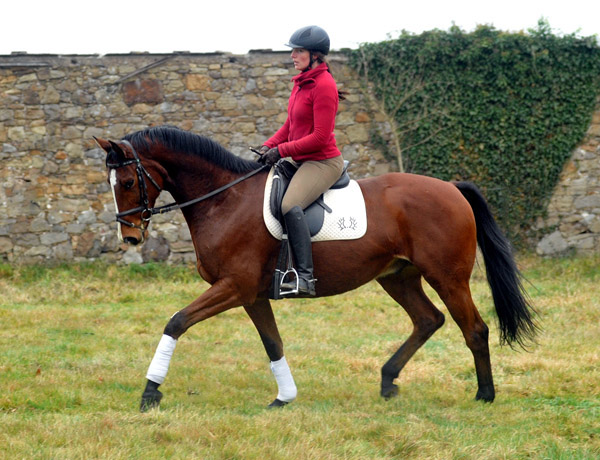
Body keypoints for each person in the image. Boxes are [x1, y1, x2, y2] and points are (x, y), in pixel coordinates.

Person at [258, 25, 345, 296]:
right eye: (293, 50)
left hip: (322, 162)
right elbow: (290, 126)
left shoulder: (324, 85)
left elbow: (320, 138)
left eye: (299, 51)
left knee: (289, 204)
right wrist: (268, 146)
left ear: (316, 55)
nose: (293, 56)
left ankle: (305, 277)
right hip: (300, 160)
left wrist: (282, 151)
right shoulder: (301, 83)